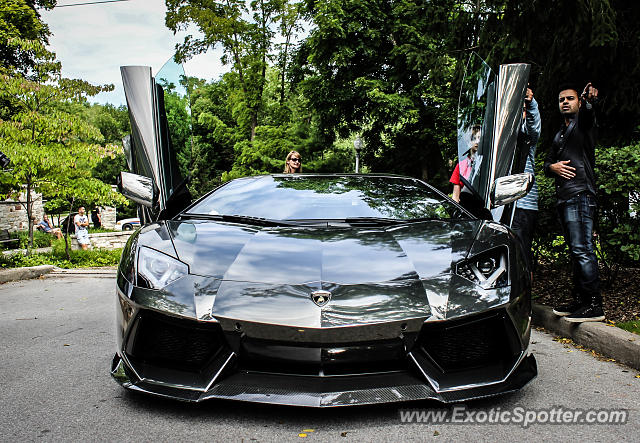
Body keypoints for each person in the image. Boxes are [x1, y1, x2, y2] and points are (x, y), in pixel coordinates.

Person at [544, 82, 603, 322]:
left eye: (570, 98)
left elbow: (589, 114)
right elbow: (546, 165)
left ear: (578, 102)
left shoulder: (584, 125)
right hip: (565, 198)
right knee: (575, 252)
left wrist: (590, 102)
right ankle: (580, 301)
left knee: (583, 250)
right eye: (561, 100)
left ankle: (594, 304)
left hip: (581, 195)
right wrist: (553, 167)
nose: (565, 102)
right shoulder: (559, 134)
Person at [512, 87, 542, 275]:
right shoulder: (502, 140)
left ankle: (526, 300)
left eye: (521, 110)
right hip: (501, 204)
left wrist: (530, 104)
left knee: (522, 252)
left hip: (524, 203)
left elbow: (534, 126)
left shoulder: (527, 138)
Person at [450, 126, 480, 202]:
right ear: (468, 142)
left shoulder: (487, 163)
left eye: (479, 138)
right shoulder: (461, 166)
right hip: (467, 210)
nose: (477, 141)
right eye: (473, 138)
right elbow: (455, 197)